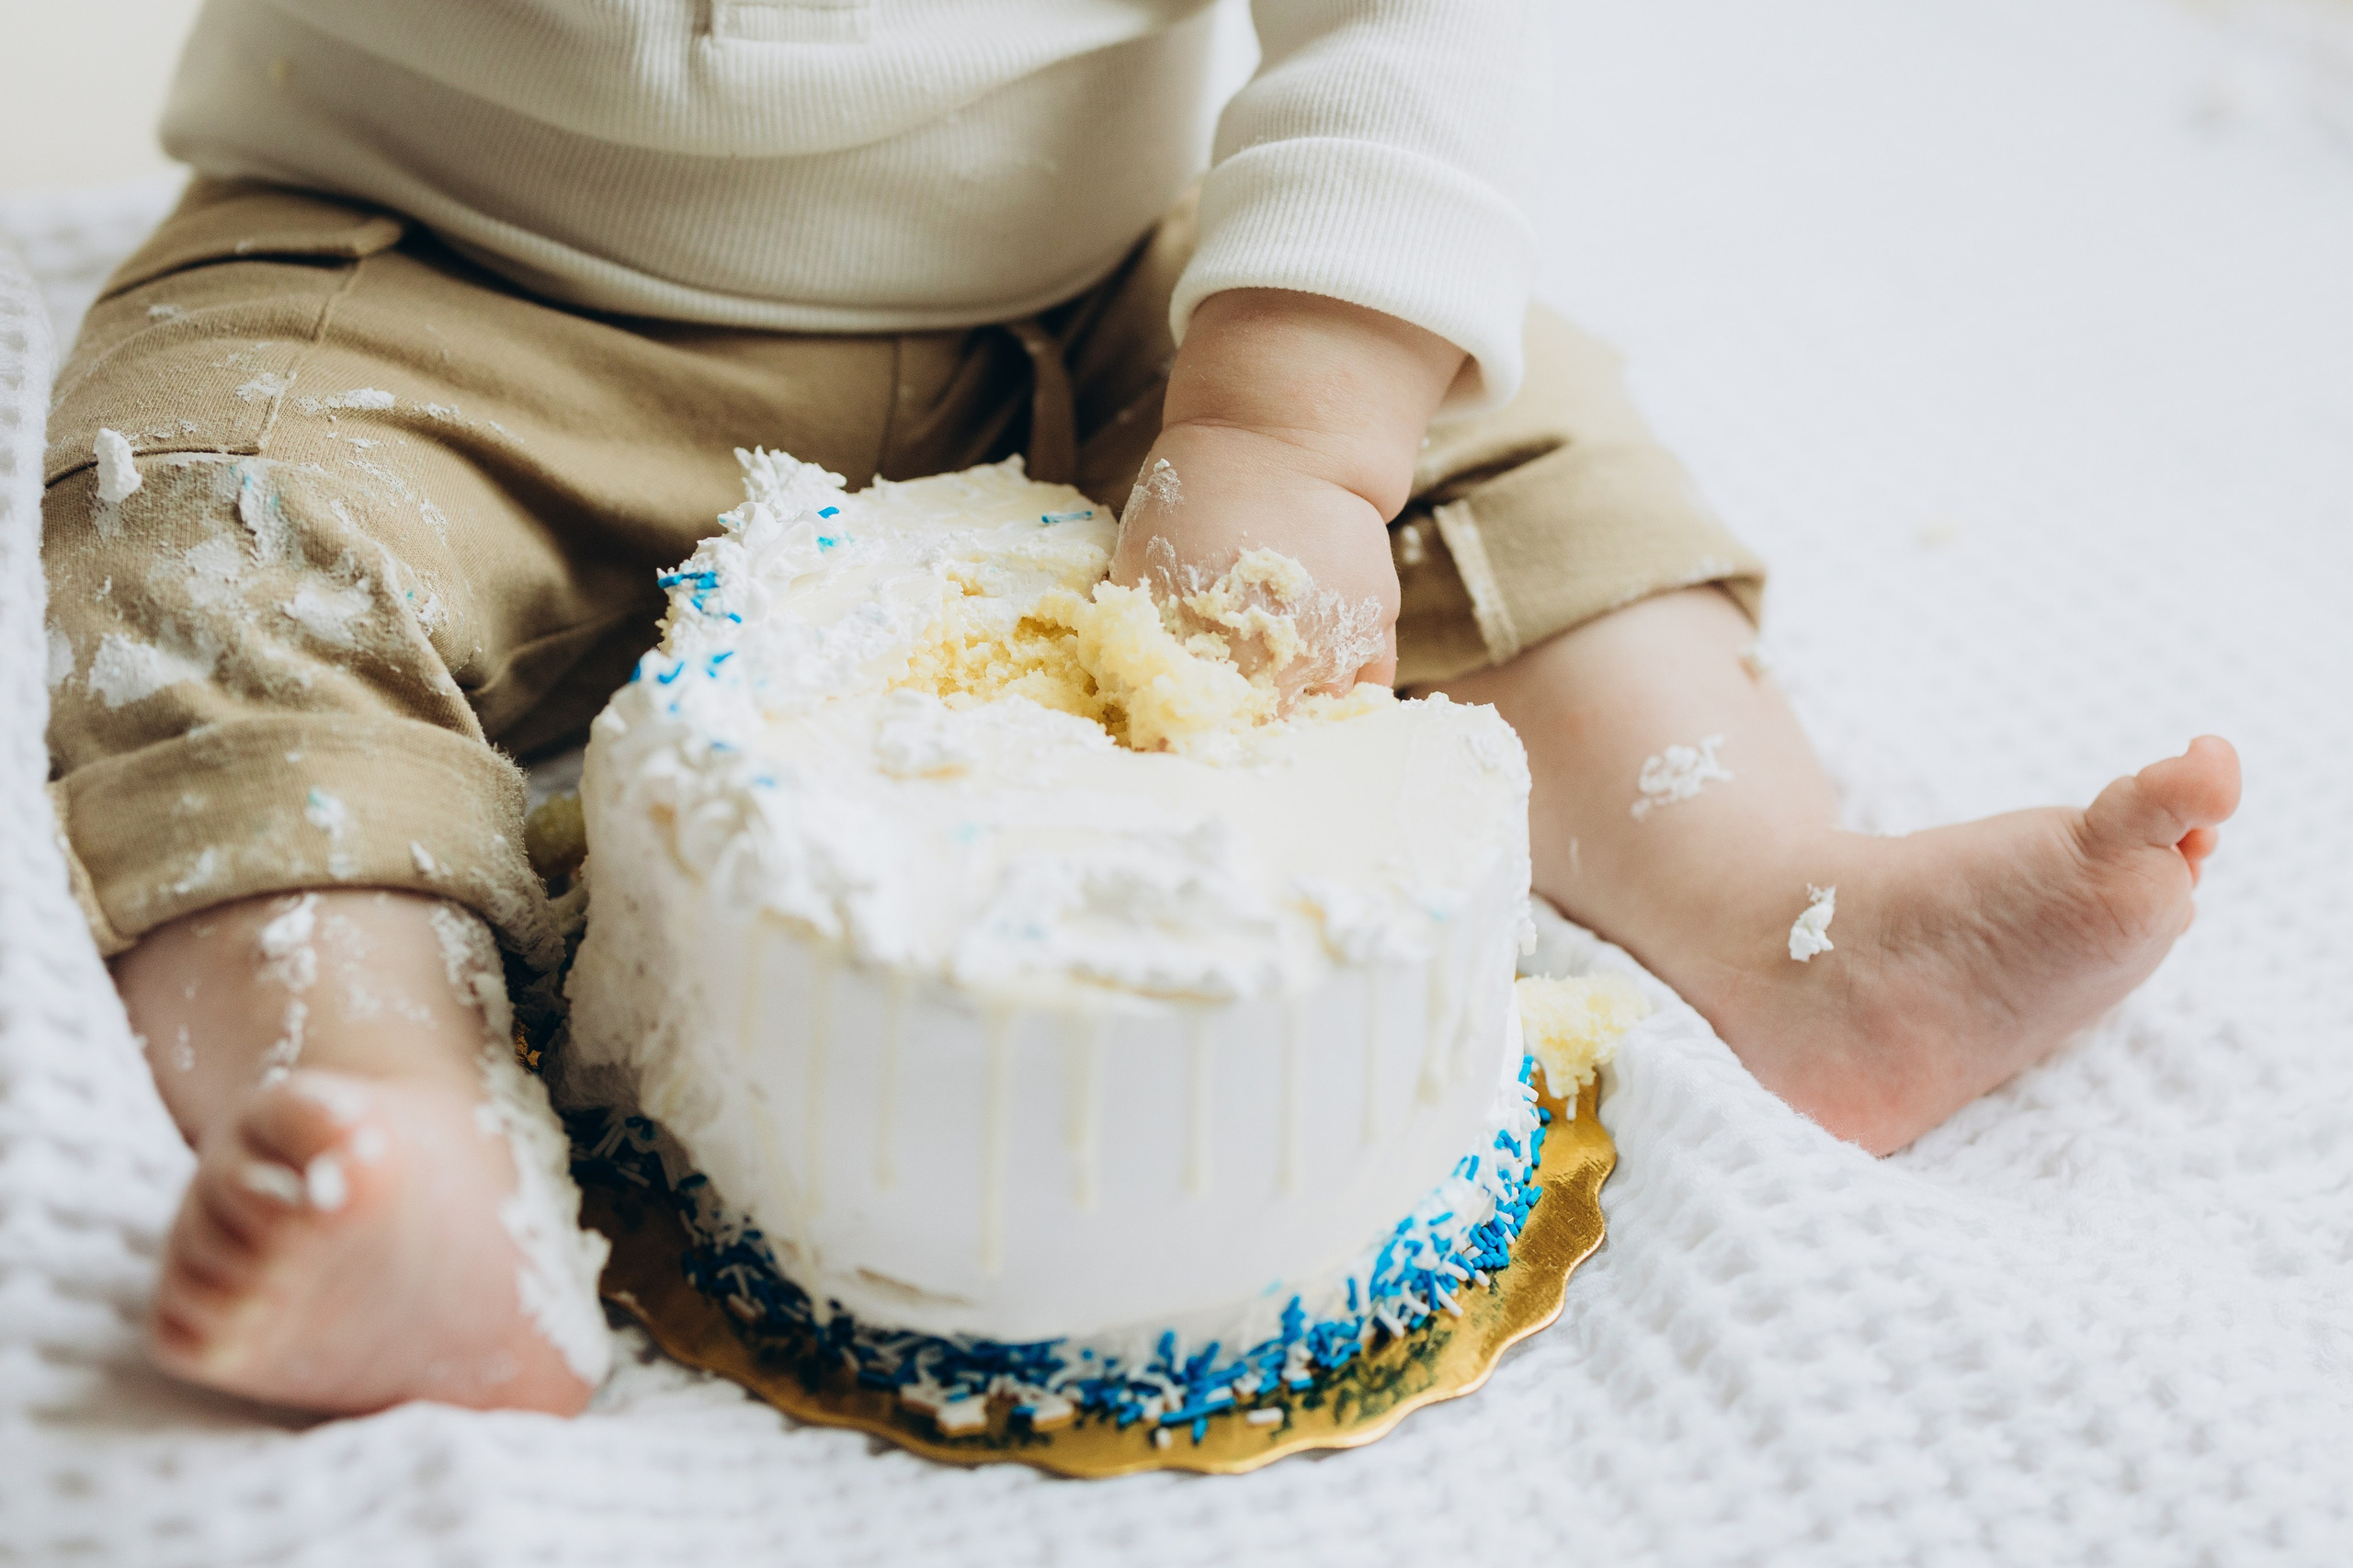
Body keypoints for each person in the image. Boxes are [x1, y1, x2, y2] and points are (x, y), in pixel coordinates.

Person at [43, 1, 2239, 1419]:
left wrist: (1301, 411)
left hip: (1092, 289)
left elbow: (1398, 49)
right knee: (204, 520)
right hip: (435, 271)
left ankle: (1781, 901)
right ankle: (396, 1116)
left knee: (1497, 411)